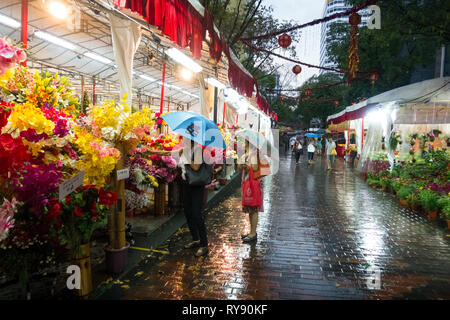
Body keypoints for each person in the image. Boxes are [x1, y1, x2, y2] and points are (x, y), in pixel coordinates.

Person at [179, 140, 210, 257]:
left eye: (185, 137)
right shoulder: (185, 149)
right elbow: (170, 153)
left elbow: (196, 167)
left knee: (197, 214)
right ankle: (195, 239)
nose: (183, 139)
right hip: (187, 183)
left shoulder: (198, 150)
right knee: (187, 211)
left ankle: (204, 245)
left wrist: (186, 155)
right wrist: (150, 152)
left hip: (196, 185)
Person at [238, 140, 266, 243]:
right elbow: (240, 169)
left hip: (254, 183)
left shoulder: (254, 153)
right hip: (247, 182)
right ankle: (251, 232)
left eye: (245, 141)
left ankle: (253, 233)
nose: (243, 142)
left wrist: (245, 162)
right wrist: (241, 164)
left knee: (253, 208)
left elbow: (254, 168)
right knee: (250, 207)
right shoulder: (247, 153)